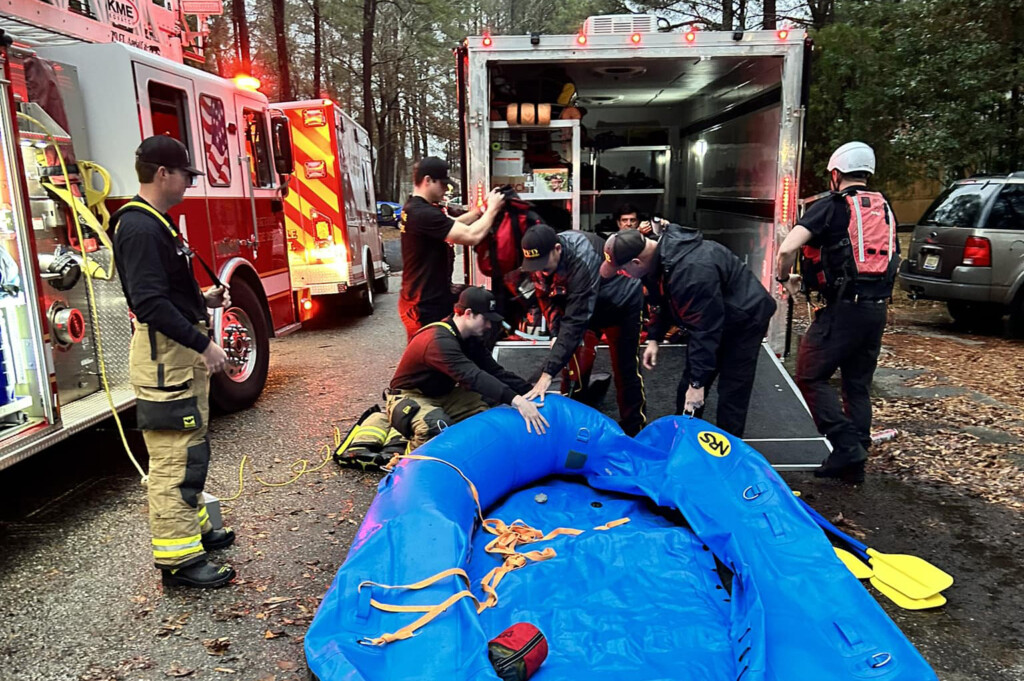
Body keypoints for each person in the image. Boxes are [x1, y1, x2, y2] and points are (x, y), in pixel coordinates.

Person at [112, 136, 235, 588]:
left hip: (174, 359)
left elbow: (162, 293)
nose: (189, 182)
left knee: (189, 450)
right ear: (163, 173)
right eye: (185, 174)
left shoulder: (154, 222)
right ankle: (179, 562)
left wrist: (201, 300)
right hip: (168, 362)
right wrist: (203, 344)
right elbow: (147, 303)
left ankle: (194, 534)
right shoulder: (142, 228)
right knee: (172, 461)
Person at [776, 141, 899, 484]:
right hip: (876, 312)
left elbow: (787, 247)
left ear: (835, 174)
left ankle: (846, 447)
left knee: (810, 375)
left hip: (843, 310)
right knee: (856, 386)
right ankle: (854, 463)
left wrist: (786, 278)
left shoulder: (830, 206)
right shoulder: (884, 207)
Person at [601, 225, 776, 437]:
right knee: (687, 390)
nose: (623, 275)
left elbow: (705, 331)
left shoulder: (691, 271)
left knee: (731, 390)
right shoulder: (656, 259)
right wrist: (654, 337)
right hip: (710, 316)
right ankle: (683, 441)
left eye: (622, 270)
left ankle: (727, 456)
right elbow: (659, 299)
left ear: (636, 262)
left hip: (745, 319)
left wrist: (698, 383)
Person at [520, 224, 647, 436]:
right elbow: (545, 298)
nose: (540, 270)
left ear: (558, 249)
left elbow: (575, 321)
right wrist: (554, 333)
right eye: (535, 265)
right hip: (582, 305)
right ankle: (573, 426)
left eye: (543, 264)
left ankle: (635, 431)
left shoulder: (582, 258)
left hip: (620, 304)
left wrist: (547, 373)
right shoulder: (539, 262)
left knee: (625, 369)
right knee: (574, 368)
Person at [385, 286, 548, 450]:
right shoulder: (438, 341)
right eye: (485, 319)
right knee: (434, 427)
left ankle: (466, 453)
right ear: (468, 314)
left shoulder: (469, 339)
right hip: (409, 397)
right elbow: (473, 377)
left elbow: (497, 373)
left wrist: (533, 393)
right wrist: (519, 402)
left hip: (443, 395)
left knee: (486, 408)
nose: (489, 326)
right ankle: (408, 463)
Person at [399, 157, 505, 341]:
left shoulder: (415, 208)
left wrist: (480, 211)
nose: (445, 190)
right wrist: (492, 210)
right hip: (424, 305)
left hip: (429, 297)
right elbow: (471, 236)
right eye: (443, 184)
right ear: (428, 180)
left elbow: (453, 224)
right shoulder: (423, 213)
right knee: (429, 358)